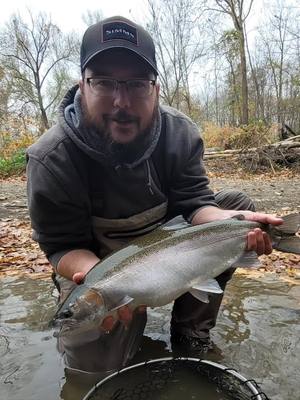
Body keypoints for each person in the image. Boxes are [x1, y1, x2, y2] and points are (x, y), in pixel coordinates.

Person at [26, 16, 282, 374]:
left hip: (172, 246)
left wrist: (237, 225)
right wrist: (104, 285)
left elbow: (195, 206)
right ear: (82, 86)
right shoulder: (51, 159)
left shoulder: (180, 134)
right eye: (104, 82)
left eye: (136, 84)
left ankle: (191, 333)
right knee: (91, 367)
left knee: (236, 207)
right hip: (95, 263)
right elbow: (60, 245)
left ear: (156, 90)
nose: (122, 101)